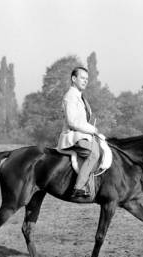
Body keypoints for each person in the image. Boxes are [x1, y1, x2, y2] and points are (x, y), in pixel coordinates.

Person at [57, 67, 103, 197]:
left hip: (81, 135)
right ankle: (79, 187)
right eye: (82, 78)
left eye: (87, 79)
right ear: (73, 79)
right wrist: (92, 129)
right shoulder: (70, 96)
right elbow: (72, 122)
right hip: (72, 136)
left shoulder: (80, 96)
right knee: (94, 153)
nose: (85, 81)